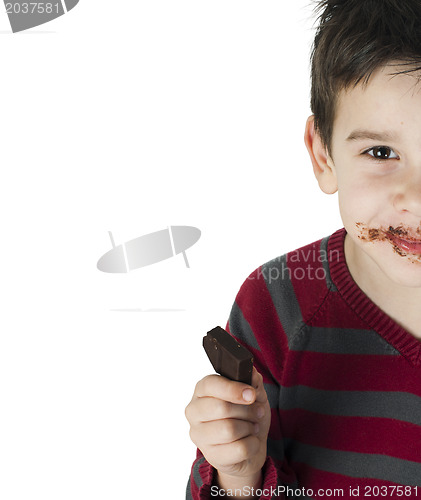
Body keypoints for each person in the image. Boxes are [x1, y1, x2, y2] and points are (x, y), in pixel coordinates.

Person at [185, 0, 421, 498]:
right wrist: (240, 474)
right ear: (323, 155)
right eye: (381, 153)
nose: (416, 198)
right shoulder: (280, 303)